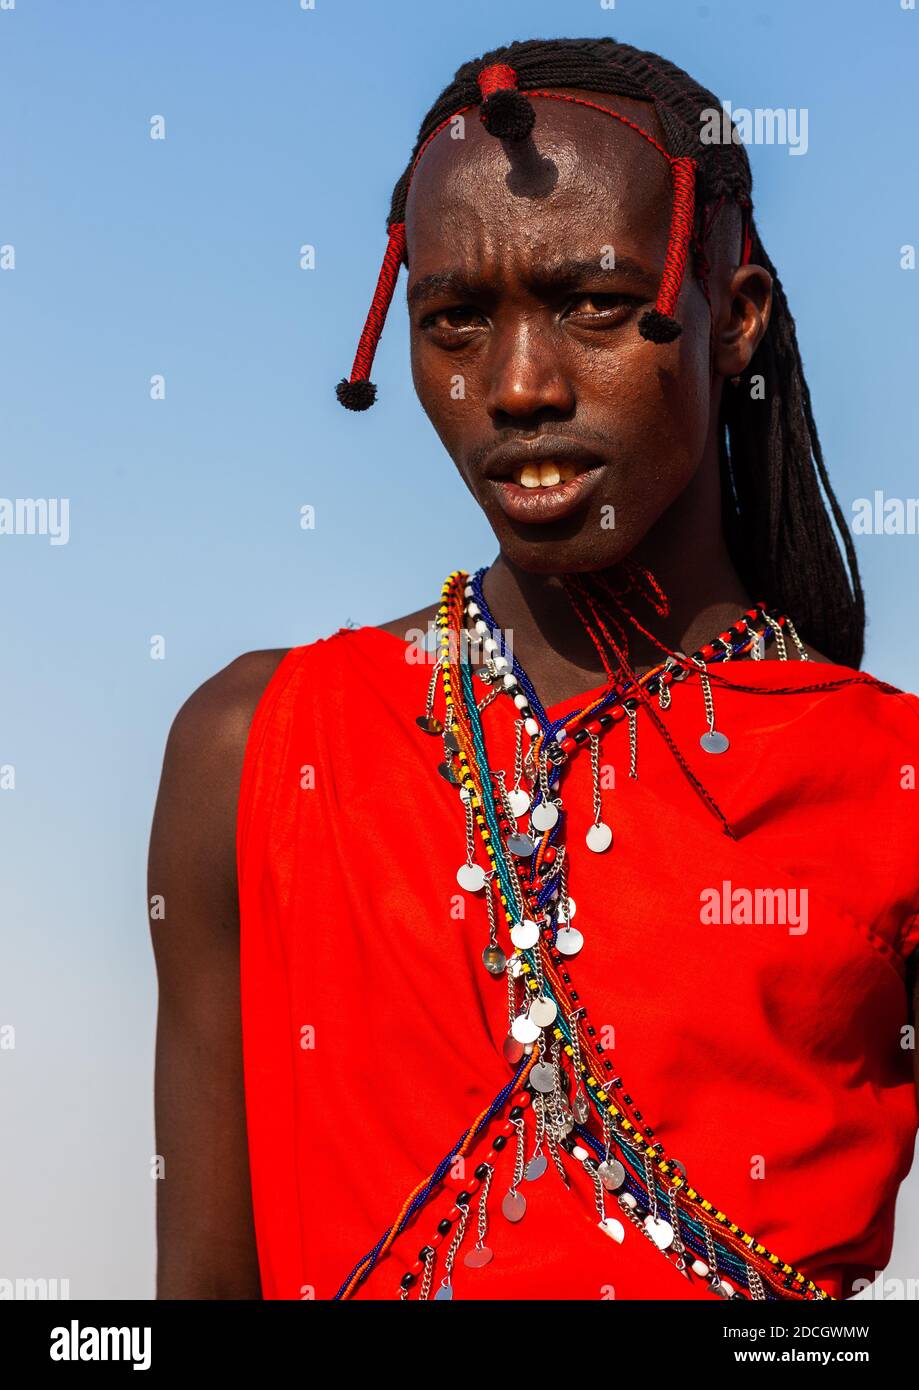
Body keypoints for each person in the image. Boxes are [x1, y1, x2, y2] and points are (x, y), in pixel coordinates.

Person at [149, 36, 919, 1302]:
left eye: (596, 305)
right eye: (454, 320)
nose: (515, 386)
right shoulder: (257, 750)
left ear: (735, 319)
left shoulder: (884, 785)